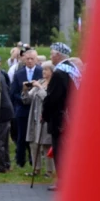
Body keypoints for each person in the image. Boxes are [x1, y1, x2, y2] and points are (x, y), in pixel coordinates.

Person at [42, 42, 80, 192]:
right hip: (72, 116)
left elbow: (52, 98)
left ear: (58, 55)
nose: (51, 56)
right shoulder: (73, 70)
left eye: (52, 53)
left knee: (60, 150)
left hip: (60, 118)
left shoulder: (59, 73)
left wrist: (44, 114)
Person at [23, 60, 54, 178]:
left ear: (51, 72)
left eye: (46, 70)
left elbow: (47, 98)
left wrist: (40, 87)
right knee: (33, 144)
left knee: (46, 144)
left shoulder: (52, 84)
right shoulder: (40, 82)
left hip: (45, 117)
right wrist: (25, 90)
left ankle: (49, 171)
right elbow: (27, 99)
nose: (43, 72)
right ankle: (36, 169)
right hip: (34, 117)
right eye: (43, 69)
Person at [9, 49, 40, 168]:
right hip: (22, 109)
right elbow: (13, 92)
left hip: (36, 109)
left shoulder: (41, 72)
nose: (30, 61)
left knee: (35, 137)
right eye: (28, 58)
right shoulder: (19, 74)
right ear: (24, 59)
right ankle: (20, 160)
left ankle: (34, 161)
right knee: (21, 136)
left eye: (32, 59)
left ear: (36, 60)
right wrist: (23, 97)